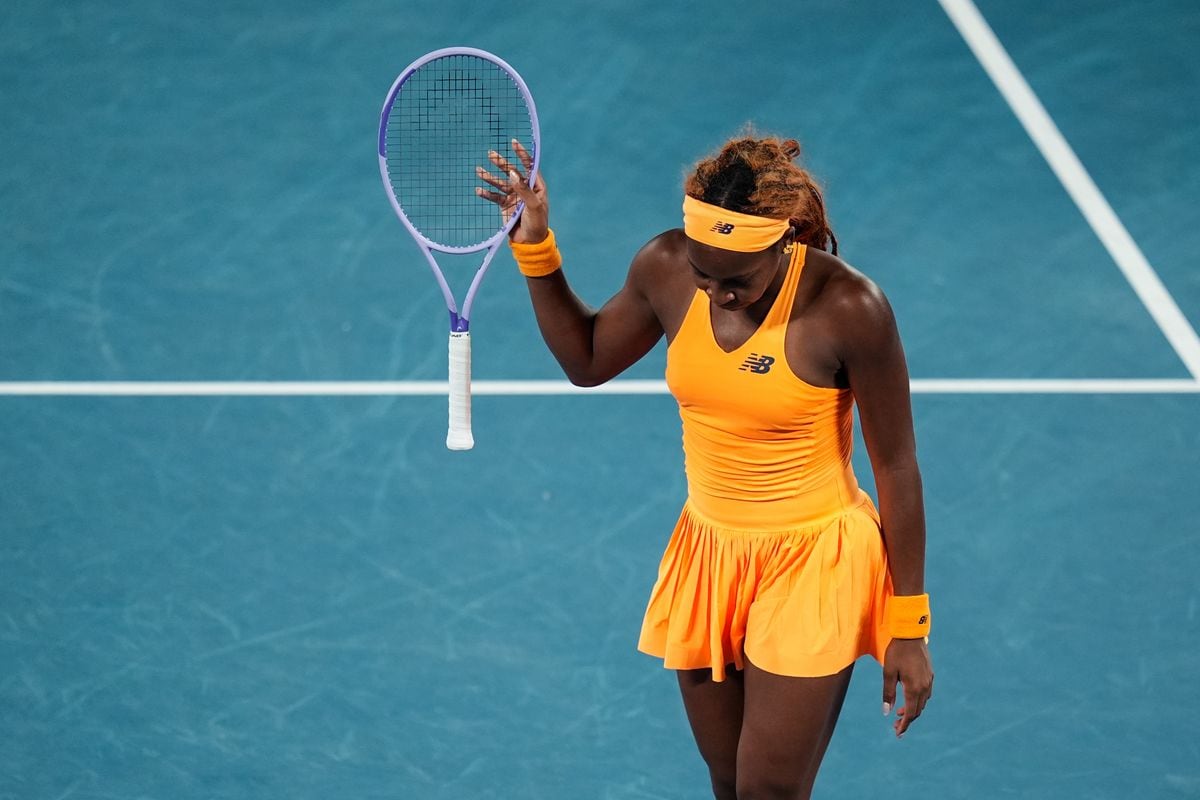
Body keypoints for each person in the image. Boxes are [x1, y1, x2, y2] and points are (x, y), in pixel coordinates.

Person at [477, 133, 934, 800]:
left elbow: (896, 466)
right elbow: (588, 361)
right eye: (705, 276)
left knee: (769, 791)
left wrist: (909, 624)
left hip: (816, 563)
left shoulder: (849, 309)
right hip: (710, 554)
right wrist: (535, 250)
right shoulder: (664, 265)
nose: (719, 295)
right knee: (727, 781)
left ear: (784, 244)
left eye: (738, 282)